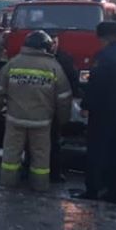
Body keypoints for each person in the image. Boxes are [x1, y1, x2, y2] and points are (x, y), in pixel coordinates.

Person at [0, 30, 72, 192]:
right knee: (41, 158)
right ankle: (39, 187)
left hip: (15, 120)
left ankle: (7, 184)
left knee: (11, 155)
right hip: (41, 122)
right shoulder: (54, 67)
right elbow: (64, 98)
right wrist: (63, 119)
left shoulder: (13, 64)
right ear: (46, 47)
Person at [72, 21, 116, 204]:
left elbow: (96, 84)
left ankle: (92, 189)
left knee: (96, 150)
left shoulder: (104, 55)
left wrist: (86, 105)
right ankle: (113, 193)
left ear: (103, 37)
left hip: (102, 110)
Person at [48, 36, 78, 182]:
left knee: (54, 141)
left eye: (55, 42)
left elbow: (72, 79)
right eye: (51, 42)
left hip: (54, 107)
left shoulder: (64, 58)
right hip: (44, 107)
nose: (52, 45)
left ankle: (54, 172)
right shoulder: (46, 60)